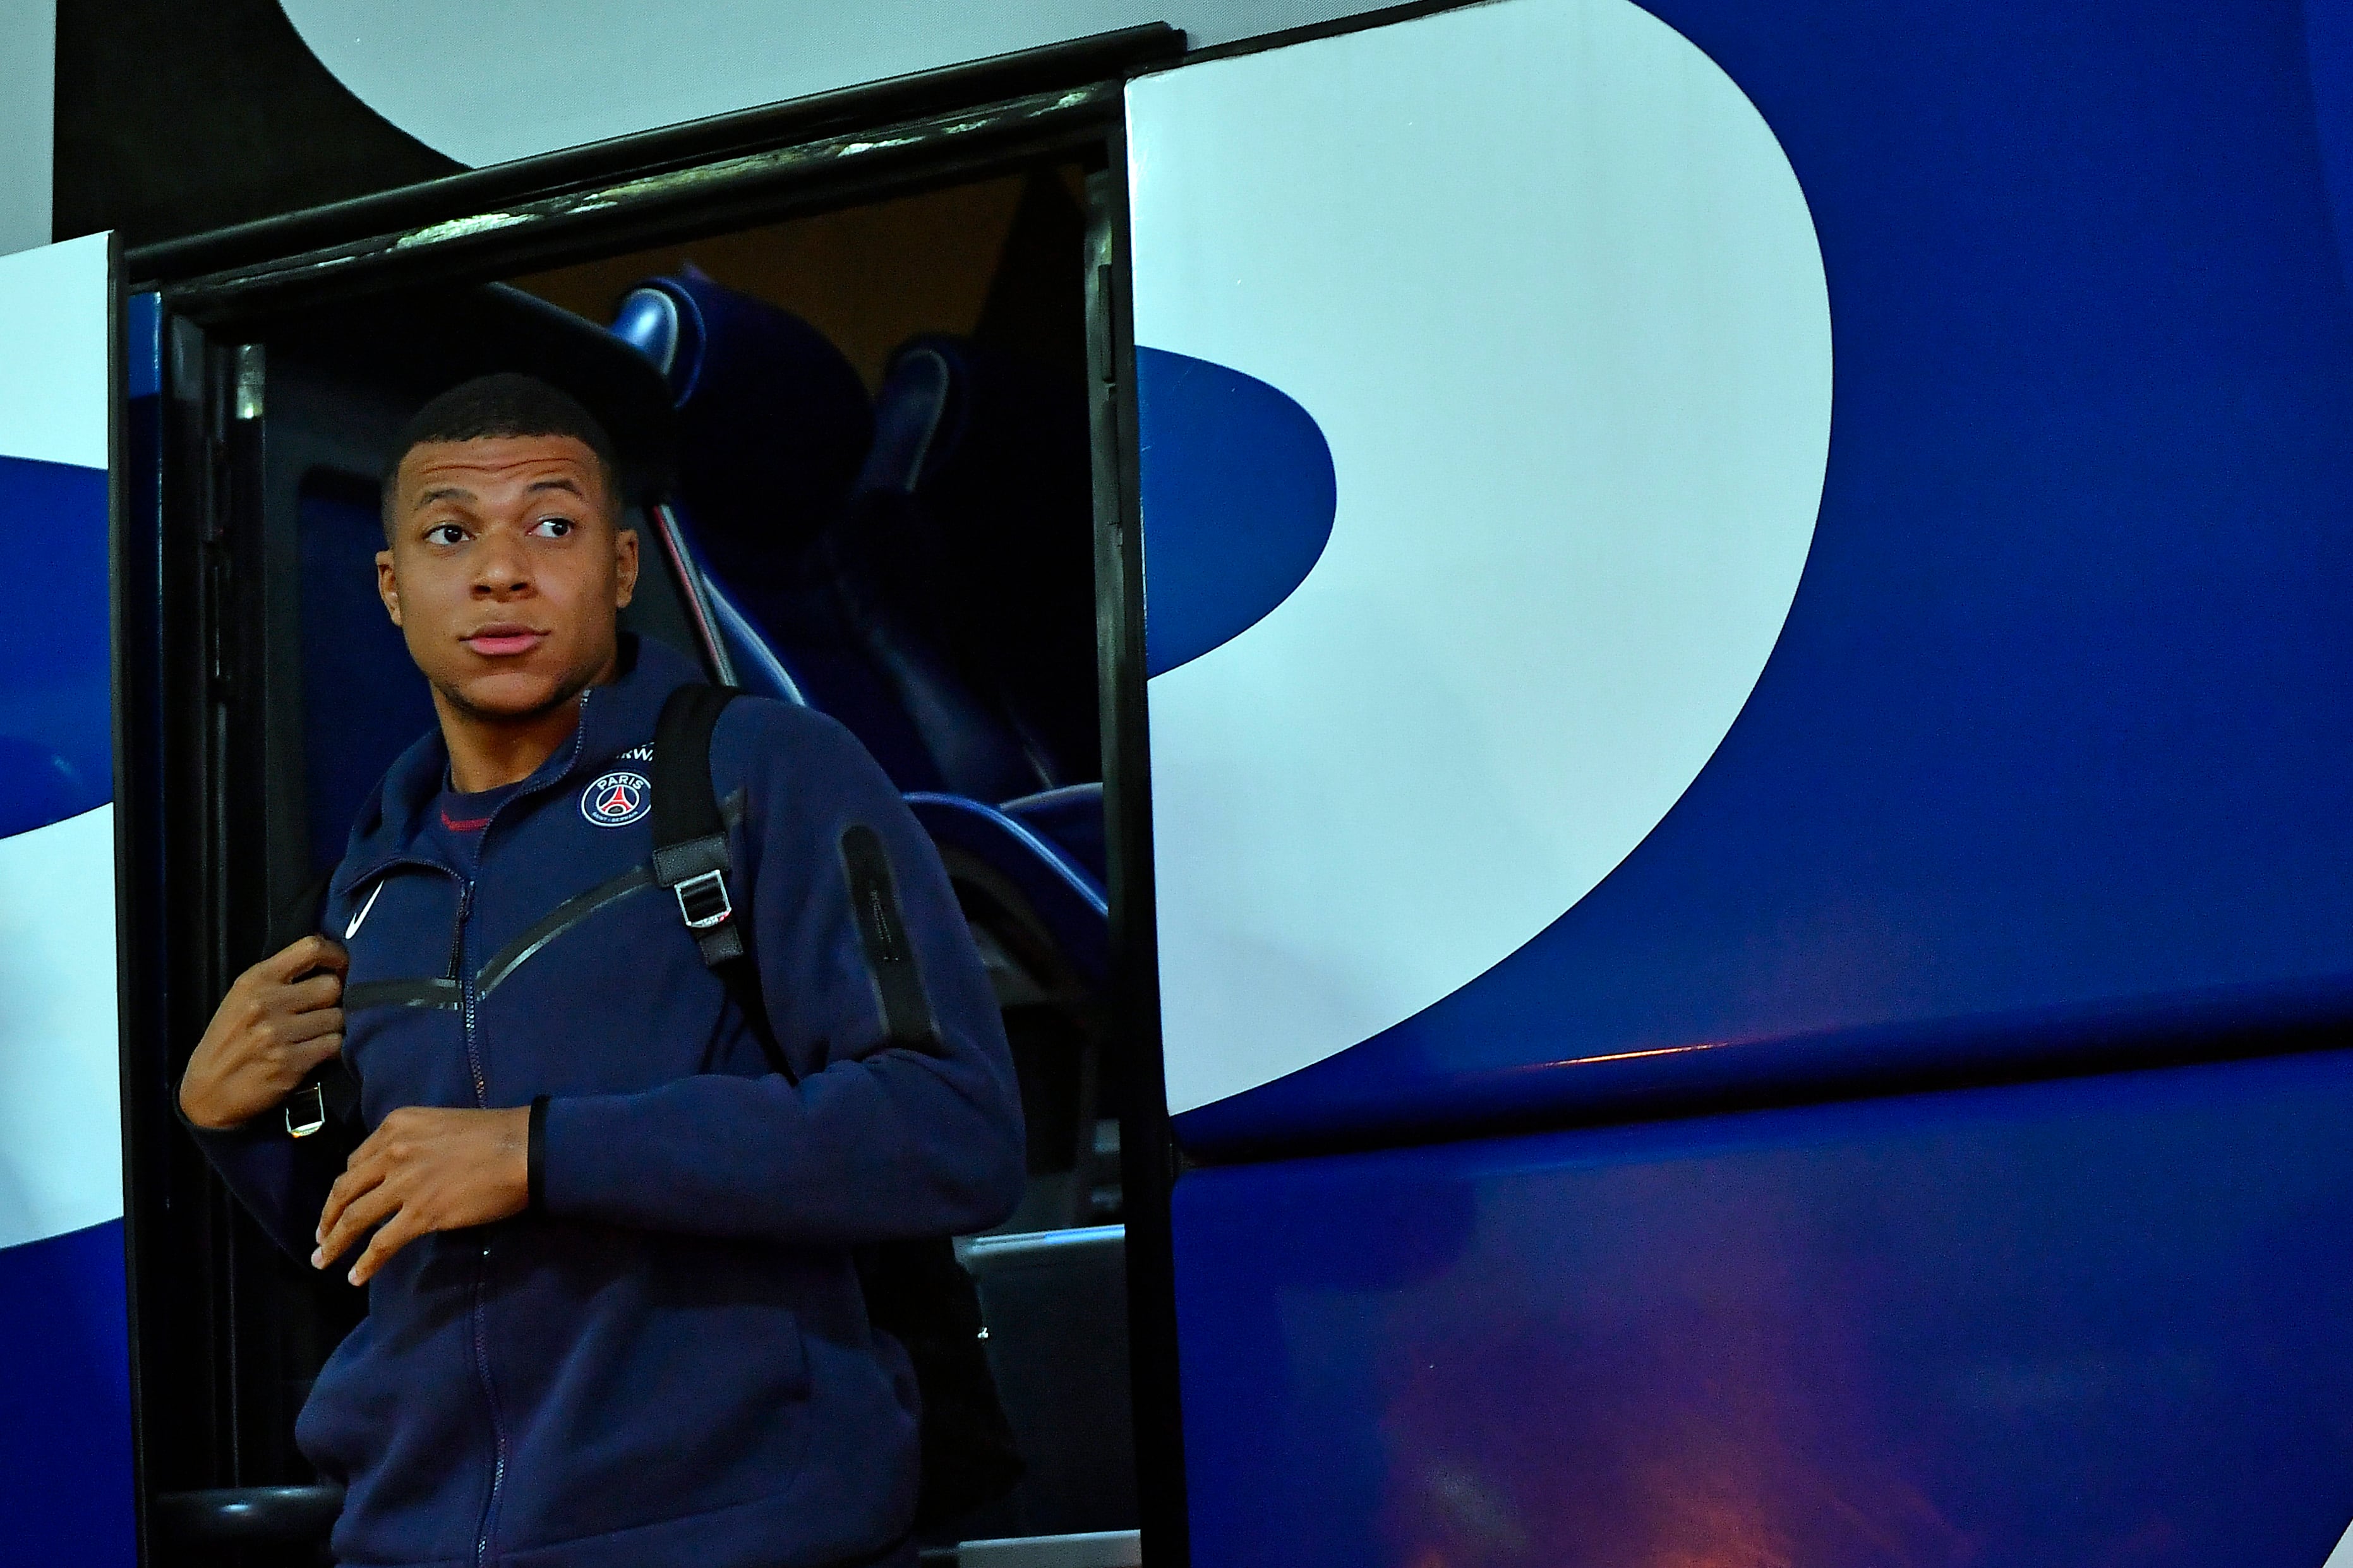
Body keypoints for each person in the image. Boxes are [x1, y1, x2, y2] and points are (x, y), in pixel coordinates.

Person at [179, 373, 1025, 1568]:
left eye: (553, 525)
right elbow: (382, 1247)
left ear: (623, 569)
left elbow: (953, 1127)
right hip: (411, 1545)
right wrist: (236, 1130)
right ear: (391, 589)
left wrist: (543, 1150)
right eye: (449, 533)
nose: (501, 571)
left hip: (749, 1537)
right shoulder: (355, 894)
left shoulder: (759, 775)